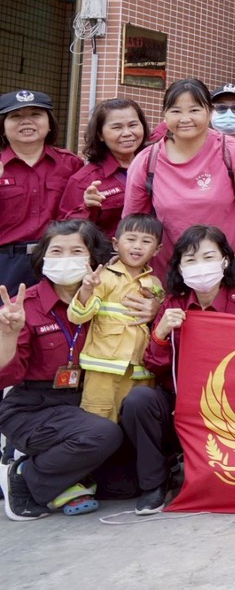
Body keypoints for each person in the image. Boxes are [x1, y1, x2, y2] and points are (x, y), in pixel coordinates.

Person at [129, 224, 235, 515]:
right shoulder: (173, 305)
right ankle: (154, 484)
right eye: (190, 260)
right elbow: (154, 366)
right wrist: (160, 333)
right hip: (179, 399)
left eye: (208, 257)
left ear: (225, 260)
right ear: (179, 266)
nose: (200, 267)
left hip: (230, 404)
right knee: (139, 401)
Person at [0, 221, 125, 520]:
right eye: (56, 251)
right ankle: (24, 474)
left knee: (123, 484)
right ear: (43, 257)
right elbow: (8, 376)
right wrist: (7, 335)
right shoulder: (24, 306)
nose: (66, 258)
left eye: (76, 251)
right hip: (33, 406)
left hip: (85, 399)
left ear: (93, 260)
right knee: (103, 435)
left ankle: (40, 463)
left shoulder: (105, 301)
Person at [124, 79, 235, 277]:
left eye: (194, 110)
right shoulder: (147, 161)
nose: (185, 118)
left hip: (229, 275)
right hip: (170, 278)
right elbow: (133, 224)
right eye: (175, 111)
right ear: (164, 115)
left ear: (208, 113)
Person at [66, 214, 163, 422]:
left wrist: (158, 306)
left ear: (157, 250)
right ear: (116, 244)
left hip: (140, 371)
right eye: (131, 239)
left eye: (146, 241)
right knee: (98, 421)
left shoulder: (154, 284)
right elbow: (77, 316)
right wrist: (86, 289)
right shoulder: (104, 277)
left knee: (132, 422)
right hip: (103, 370)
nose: (137, 246)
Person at [0, 90, 85, 292]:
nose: (26, 122)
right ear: (3, 127)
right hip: (6, 262)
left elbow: (79, 213)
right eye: (16, 116)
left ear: (49, 124)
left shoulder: (70, 164)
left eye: (36, 115)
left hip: (58, 261)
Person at [60, 97, 150, 237]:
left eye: (133, 125)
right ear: (100, 134)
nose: (127, 133)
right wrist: (87, 207)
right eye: (117, 127)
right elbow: (66, 232)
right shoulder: (85, 180)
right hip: (109, 256)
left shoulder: (155, 166)